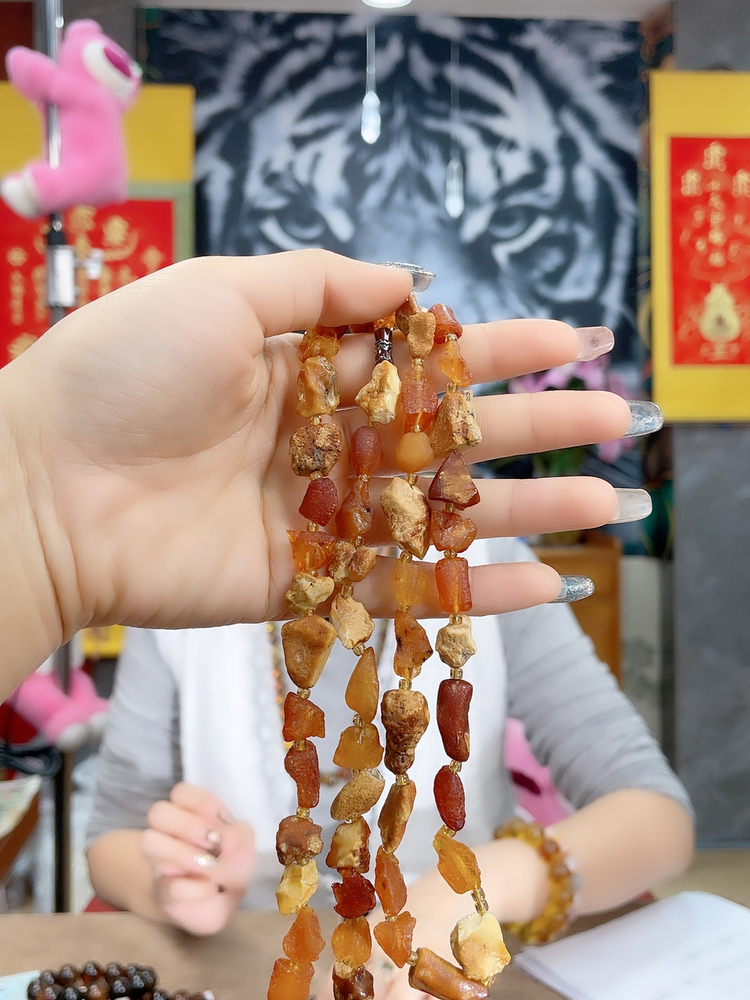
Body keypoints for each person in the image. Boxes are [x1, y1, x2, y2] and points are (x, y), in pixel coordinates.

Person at [0, 249, 639, 700]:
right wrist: (36, 483)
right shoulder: (174, 629)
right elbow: (117, 821)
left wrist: (39, 500)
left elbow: (647, 798)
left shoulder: (485, 556)